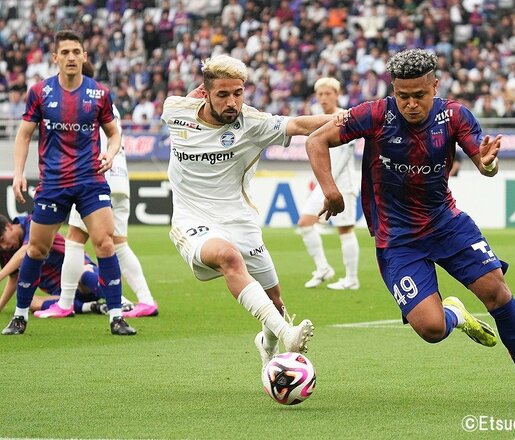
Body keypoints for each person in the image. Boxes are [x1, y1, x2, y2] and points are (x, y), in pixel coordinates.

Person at [306, 49, 515, 408]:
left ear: (435, 86)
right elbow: (316, 140)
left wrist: (489, 163)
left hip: (445, 223)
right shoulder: (374, 114)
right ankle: (455, 314)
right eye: (403, 96)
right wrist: (330, 190)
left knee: (496, 291)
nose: (411, 104)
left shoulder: (454, 115)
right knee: (432, 329)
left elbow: (483, 164)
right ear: (394, 90)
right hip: (396, 238)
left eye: (419, 95)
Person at [161, 55, 335, 369]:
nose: (232, 102)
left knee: (276, 302)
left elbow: (298, 124)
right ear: (206, 92)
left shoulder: (253, 123)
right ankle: (286, 335)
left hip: (240, 220)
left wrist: (356, 118)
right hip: (192, 220)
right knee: (228, 257)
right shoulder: (175, 110)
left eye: (238, 93)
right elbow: (183, 107)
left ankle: (267, 343)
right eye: (223, 94)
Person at [2, 29, 136, 336]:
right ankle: (20, 315)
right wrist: (18, 173)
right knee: (36, 249)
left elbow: (114, 132)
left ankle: (116, 316)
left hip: (90, 180)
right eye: (65, 52)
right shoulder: (40, 92)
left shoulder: (99, 93)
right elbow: (24, 135)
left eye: (77, 52)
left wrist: (111, 152)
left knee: (104, 243)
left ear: (85, 56)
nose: (72, 57)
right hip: (53, 183)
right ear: (55, 58)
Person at [35, 60, 158, 320]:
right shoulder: (107, 104)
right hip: (120, 179)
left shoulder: (82, 104)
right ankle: (146, 300)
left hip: (94, 180)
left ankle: (65, 302)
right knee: (118, 242)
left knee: (74, 239)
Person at [0, 213, 106, 315]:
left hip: (85, 279)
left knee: (81, 272)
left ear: (8, 226)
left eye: (2, 240)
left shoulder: (33, 223)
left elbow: (27, 250)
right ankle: (92, 307)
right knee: (27, 302)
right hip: (62, 293)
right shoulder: (8, 250)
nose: (3, 247)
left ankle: (119, 302)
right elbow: (14, 278)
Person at [298, 78, 360, 290]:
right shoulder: (318, 119)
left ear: (336, 94)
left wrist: (331, 183)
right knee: (305, 222)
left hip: (343, 184)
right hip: (325, 183)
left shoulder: (345, 116)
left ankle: (351, 279)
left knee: (345, 229)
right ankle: (323, 268)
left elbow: (347, 153)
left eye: (327, 93)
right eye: (320, 94)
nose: (323, 98)